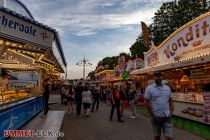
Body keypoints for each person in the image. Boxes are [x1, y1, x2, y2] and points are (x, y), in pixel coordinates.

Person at [144, 72, 174, 140]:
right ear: (154, 77)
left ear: (162, 77)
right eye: (156, 76)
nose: (158, 77)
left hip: (167, 116)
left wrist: (171, 111)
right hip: (156, 116)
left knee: (169, 137)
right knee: (157, 136)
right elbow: (146, 103)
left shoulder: (167, 88)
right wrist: (153, 116)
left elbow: (170, 100)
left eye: (160, 76)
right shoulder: (149, 88)